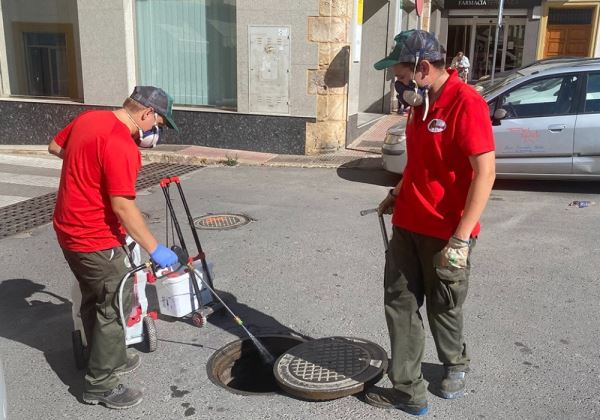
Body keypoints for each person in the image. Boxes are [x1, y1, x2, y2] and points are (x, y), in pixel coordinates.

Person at [367, 30, 496, 416]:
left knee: (444, 307)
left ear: (423, 68)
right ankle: (409, 392)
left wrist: (460, 240)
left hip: (447, 233)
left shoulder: (466, 103)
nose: (398, 82)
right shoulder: (418, 105)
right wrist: (399, 191)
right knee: (400, 306)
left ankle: (455, 362)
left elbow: (485, 173)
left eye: (401, 73)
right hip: (408, 225)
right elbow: (422, 162)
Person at [49, 86, 180, 409]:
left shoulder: (88, 119)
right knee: (112, 306)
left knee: (94, 298)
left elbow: (55, 146)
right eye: (158, 124)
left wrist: (87, 171)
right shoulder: (122, 146)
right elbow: (123, 207)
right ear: (146, 113)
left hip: (67, 229)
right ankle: (101, 385)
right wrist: (155, 248)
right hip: (96, 239)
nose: (155, 131)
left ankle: (108, 356)